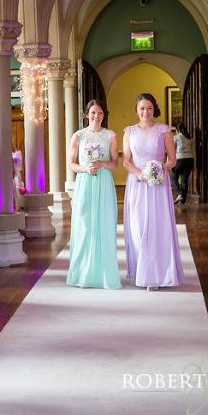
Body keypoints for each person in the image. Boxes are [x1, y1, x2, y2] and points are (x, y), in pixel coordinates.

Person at [123, 93, 184, 291]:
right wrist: (140, 174)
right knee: (138, 226)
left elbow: (172, 159)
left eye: (149, 108)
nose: (145, 112)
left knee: (158, 227)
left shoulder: (164, 130)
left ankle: (155, 275)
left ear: (154, 109)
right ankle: (142, 270)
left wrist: (159, 170)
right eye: (142, 108)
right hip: (137, 183)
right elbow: (126, 161)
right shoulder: (129, 131)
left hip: (158, 183)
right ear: (137, 110)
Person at [65, 100, 121, 289]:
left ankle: (104, 274)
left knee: (103, 224)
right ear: (86, 114)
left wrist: (103, 164)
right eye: (92, 113)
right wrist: (85, 168)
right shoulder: (78, 136)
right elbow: (71, 163)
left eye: (99, 113)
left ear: (103, 115)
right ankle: (82, 274)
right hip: (85, 182)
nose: (96, 116)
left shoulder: (110, 135)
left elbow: (115, 162)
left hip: (104, 182)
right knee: (84, 224)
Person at [171, 123, 195, 204]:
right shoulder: (190, 138)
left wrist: (170, 161)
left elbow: (172, 150)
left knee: (173, 177)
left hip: (180, 159)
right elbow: (193, 150)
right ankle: (182, 200)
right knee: (184, 179)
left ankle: (179, 194)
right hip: (190, 159)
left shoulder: (176, 137)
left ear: (177, 130)